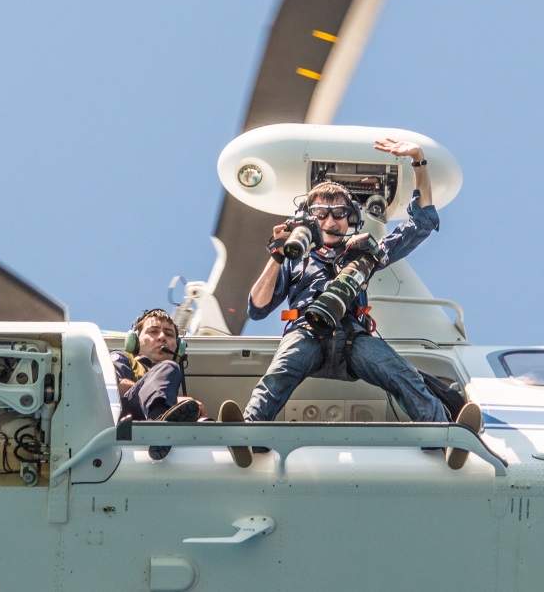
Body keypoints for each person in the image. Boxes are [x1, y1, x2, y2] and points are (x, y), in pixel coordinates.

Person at [244, 137, 481, 470]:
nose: (331, 221)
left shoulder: (363, 254)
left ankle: (444, 437)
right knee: (275, 379)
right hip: (306, 332)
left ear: (349, 218)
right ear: (311, 219)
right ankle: (247, 436)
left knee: (404, 377)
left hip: (353, 337)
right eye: (321, 214)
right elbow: (257, 307)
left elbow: (421, 224)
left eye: (339, 213)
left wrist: (419, 161)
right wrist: (278, 254)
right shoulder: (297, 259)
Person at [111, 308, 251, 466]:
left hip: (160, 422)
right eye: (153, 332)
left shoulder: (169, 376)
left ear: (177, 346)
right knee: (169, 368)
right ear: (135, 341)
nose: (162, 337)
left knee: (196, 414)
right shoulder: (121, 357)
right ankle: (158, 427)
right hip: (127, 417)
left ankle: (222, 437)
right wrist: (175, 400)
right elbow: (113, 390)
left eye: (169, 334)